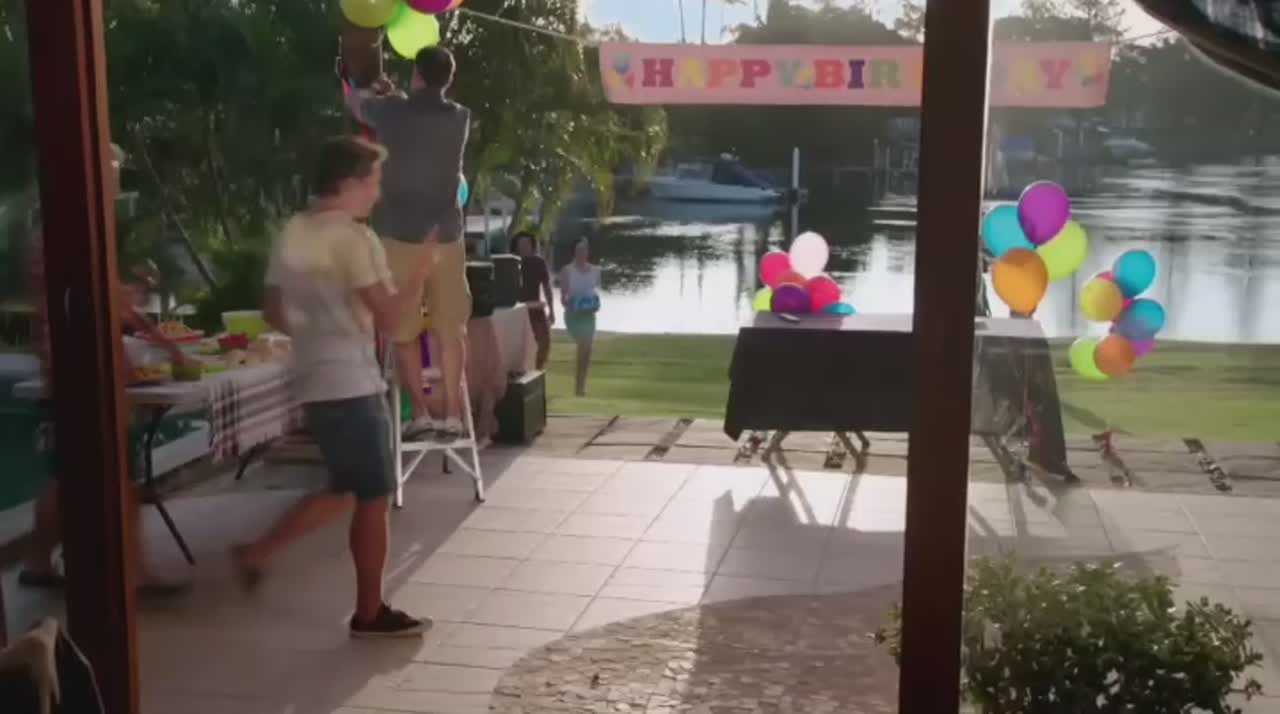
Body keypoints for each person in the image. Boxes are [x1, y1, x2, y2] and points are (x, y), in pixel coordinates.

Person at [230, 136, 431, 638]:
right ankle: (368, 611)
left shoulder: (294, 231)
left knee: (351, 488)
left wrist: (317, 335)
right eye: (374, 182)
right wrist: (420, 275)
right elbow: (392, 319)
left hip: (316, 377)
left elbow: (273, 310)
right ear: (350, 182)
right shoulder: (356, 240)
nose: (378, 194)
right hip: (351, 382)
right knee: (372, 493)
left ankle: (261, 553)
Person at [20, 143, 194, 595]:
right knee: (115, 474)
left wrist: (160, 339)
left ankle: (40, 562)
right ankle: (133, 572)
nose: (116, 181)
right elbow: (102, 303)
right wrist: (159, 346)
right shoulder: (69, 230)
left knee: (68, 473)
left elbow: (110, 301)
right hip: (80, 368)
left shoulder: (69, 226)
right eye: (111, 170)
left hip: (75, 366)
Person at [345, 47, 471, 443]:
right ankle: (453, 414)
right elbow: (417, 110)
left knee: (403, 330)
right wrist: (395, 96)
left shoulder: (392, 112)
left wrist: (369, 89)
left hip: (400, 235)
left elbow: (355, 104)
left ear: (417, 73)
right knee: (451, 329)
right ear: (448, 78)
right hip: (446, 236)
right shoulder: (459, 117)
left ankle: (421, 414)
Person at [558, 239, 601, 397]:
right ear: (574, 252)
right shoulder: (567, 271)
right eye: (578, 251)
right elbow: (563, 299)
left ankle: (581, 385)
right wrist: (571, 303)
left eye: (584, 250)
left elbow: (595, 293)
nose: (581, 254)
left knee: (587, 350)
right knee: (583, 344)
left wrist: (595, 303)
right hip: (573, 315)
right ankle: (579, 387)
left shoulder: (596, 271)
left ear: (588, 252)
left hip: (588, 315)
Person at [512, 231, 554, 370]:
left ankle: (538, 369)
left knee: (544, 343)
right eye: (520, 244)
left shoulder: (538, 262)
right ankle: (523, 371)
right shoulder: (511, 262)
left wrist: (551, 310)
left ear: (532, 246)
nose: (523, 247)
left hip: (536, 309)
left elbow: (547, 287)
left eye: (526, 244)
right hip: (517, 311)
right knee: (521, 347)